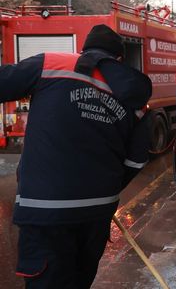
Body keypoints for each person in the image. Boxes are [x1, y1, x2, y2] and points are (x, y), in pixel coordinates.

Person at [0, 24, 152, 288]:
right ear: (118, 59)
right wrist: (105, 188)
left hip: (45, 211)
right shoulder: (134, 96)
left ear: (83, 51)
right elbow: (136, 159)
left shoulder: (51, 64)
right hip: (97, 212)